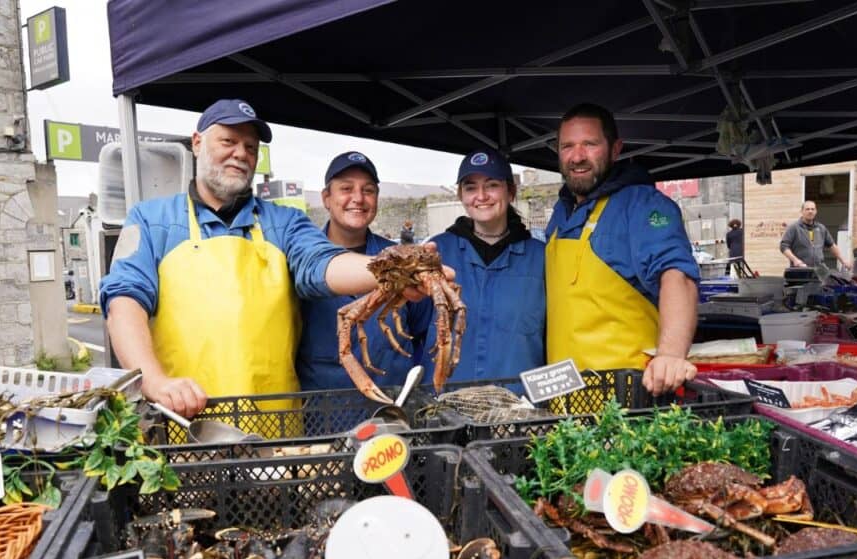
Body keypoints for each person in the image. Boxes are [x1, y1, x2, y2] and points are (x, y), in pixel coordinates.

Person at [100, 99, 444, 417]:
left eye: (250, 147)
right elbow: (124, 302)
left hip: (276, 424)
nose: (241, 154)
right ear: (197, 142)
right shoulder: (149, 220)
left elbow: (322, 264)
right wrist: (155, 381)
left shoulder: (285, 223)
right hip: (185, 421)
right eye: (228, 142)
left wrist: (395, 270)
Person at [546, 103, 700, 395]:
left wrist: (670, 354)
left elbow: (677, 276)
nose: (577, 156)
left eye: (590, 144)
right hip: (566, 399)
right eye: (567, 146)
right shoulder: (560, 211)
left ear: (615, 149)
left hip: (629, 397)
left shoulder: (642, 205)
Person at [296, 152, 427, 391]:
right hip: (324, 412)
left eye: (368, 190)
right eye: (346, 188)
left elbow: (423, 330)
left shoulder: (404, 258)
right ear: (326, 198)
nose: (358, 198)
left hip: (396, 409)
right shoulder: (301, 260)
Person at [421, 150, 545, 391]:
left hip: (519, 405)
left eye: (492, 185)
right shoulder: (436, 252)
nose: (481, 196)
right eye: (470, 187)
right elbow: (413, 325)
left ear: (510, 192)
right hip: (447, 404)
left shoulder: (541, 257)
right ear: (460, 194)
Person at [780, 201, 851, 269]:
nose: (810, 211)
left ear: (816, 211)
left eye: (812, 209)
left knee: (829, 280)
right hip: (801, 269)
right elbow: (783, 246)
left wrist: (843, 261)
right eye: (807, 209)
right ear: (802, 211)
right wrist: (795, 260)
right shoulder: (794, 228)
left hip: (820, 269)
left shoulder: (821, 228)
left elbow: (832, 245)